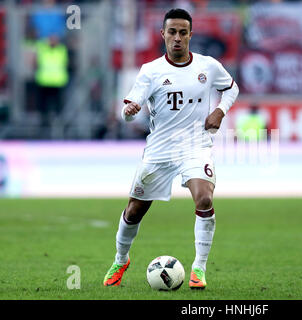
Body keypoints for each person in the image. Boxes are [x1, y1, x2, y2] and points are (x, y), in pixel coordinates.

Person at [103, 8, 239, 289]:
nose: (177, 38)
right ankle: (121, 258)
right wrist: (130, 110)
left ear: (190, 34)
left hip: (196, 145)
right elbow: (128, 113)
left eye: (182, 32)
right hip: (159, 149)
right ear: (162, 34)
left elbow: (232, 88)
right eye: (172, 32)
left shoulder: (208, 66)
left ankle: (198, 269)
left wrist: (220, 111)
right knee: (134, 211)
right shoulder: (150, 71)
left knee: (204, 199)